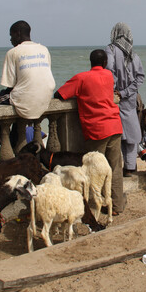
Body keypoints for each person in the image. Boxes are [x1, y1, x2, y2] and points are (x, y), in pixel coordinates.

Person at [54, 49, 125, 214]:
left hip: (97, 130)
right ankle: (116, 206)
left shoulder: (81, 78)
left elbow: (60, 94)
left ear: (90, 62)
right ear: (105, 63)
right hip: (114, 126)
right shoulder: (109, 76)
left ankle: (95, 208)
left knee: (93, 172)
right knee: (114, 168)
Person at [0, 20, 55, 148]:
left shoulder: (13, 52)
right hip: (45, 97)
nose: (10, 39)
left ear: (18, 33)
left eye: (11, 35)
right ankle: (16, 141)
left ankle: (7, 146)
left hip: (25, 98)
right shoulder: (44, 49)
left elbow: (9, 84)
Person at [106, 22, 145, 177]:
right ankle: (130, 167)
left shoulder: (110, 49)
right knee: (131, 133)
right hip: (130, 99)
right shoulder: (134, 55)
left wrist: (117, 91)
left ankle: (120, 168)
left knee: (118, 134)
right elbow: (140, 77)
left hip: (116, 98)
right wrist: (127, 91)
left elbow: (109, 71)